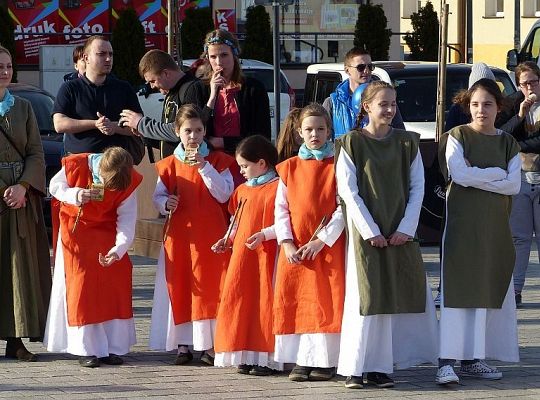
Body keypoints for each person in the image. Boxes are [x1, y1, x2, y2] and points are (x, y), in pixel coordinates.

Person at [335, 81, 438, 389]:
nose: (390, 109)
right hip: (365, 234)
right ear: (366, 107)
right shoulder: (352, 143)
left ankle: (381, 366)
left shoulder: (407, 143)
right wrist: (370, 231)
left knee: (394, 293)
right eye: (383, 104)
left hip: (399, 231)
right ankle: (356, 366)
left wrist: (406, 228)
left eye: (393, 104)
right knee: (364, 296)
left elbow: (417, 186)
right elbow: (348, 191)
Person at [437, 78, 521, 385]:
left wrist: (479, 175)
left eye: (487, 104)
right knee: (458, 292)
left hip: (495, 229)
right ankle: (446, 360)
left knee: (485, 290)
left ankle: (474, 358)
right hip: (462, 228)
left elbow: (514, 185)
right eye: (474, 104)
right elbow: (457, 173)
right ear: (466, 106)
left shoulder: (507, 143)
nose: (480, 110)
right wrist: (496, 173)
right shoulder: (457, 136)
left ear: (499, 107)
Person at [149, 104, 234, 366]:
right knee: (182, 286)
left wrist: (204, 167)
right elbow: (157, 197)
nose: (193, 136)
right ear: (177, 132)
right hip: (180, 237)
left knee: (210, 288)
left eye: (198, 130)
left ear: (205, 131)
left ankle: (209, 345)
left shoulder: (219, 161)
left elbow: (224, 194)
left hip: (211, 236)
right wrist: (165, 203)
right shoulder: (168, 165)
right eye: (188, 131)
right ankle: (182, 344)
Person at [44, 147, 143, 368]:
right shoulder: (77, 164)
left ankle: (111, 348)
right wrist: (75, 194)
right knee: (82, 286)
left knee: (114, 286)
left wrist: (118, 250)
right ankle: (86, 349)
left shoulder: (130, 180)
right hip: (76, 231)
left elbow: (127, 220)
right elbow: (54, 187)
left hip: (108, 234)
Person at [273, 103, 345, 382]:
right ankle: (301, 359)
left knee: (326, 301)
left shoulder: (337, 164)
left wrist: (322, 241)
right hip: (297, 247)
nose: (315, 134)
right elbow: (281, 209)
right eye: (309, 129)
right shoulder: (288, 167)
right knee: (298, 301)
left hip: (326, 246)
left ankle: (326, 360)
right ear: (299, 132)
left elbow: (343, 206)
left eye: (320, 129)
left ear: (329, 131)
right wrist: (287, 242)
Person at [211, 135, 281, 376]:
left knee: (264, 302)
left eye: (244, 166)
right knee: (242, 301)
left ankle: (267, 358)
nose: (241, 171)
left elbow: (286, 222)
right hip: (243, 254)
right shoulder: (242, 190)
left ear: (262, 163)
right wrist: (227, 238)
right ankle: (245, 352)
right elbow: (235, 220)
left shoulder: (279, 187)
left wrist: (266, 234)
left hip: (268, 254)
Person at [0, 45, 51, 362]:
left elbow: (36, 152)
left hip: (20, 200)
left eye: (7, 65)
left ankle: (16, 339)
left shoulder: (22, 108)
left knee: (19, 269)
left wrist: (22, 186)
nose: (4, 70)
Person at [433, 62, 498, 307]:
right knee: (452, 239)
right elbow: (450, 145)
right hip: (458, 190)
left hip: (487, 193)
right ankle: (444, 287)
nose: (480, 109)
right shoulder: (458, 110)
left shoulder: (496, 110)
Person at [52, 35, 144, 162]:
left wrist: (113, 126)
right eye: (101, 54)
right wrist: (95, 124)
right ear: (86, 58)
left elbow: (138, 126)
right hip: (79, 162)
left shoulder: (124, 88)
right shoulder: (70, 88)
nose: (108, 59)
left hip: (116, 164)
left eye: (111, 54)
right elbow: (59, 124)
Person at [499, 61, 540, 307]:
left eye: (534, 81)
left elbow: (517, 143)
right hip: (521, 179)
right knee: (520, 238)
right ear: (518, 84)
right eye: (525, 83)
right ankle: (515, 290)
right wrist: (521, 115)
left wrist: (519, 145)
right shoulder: (512, 103)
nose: (530, 87)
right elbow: (503, 136)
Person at [118, 49, 206, 158]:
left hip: (188, 166)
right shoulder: (171, 92)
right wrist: (145, 134)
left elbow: (181, 132)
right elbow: (167, 139)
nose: (152, 86)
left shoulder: (191, 89)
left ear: (166, 73)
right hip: (172, 166)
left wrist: (141, 123)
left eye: (152, 81)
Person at [200, 29, 271, 154]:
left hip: (244, 159)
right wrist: (211, 97)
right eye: (213, 57)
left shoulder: (253, 88)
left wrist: (223, 142)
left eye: (224, 55)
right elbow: (194, 128)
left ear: (234, 55)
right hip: (209, 160)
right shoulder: (200, 88)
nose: (219, 62)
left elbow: (261, 134)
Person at [322, 47, 404, 139]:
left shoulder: (385, 100)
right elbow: (324, 141)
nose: (366, 71)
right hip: (345, 153)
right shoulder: (332, 103)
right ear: (347, 70)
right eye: (360, 67)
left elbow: (400, 135)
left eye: (370, 66)